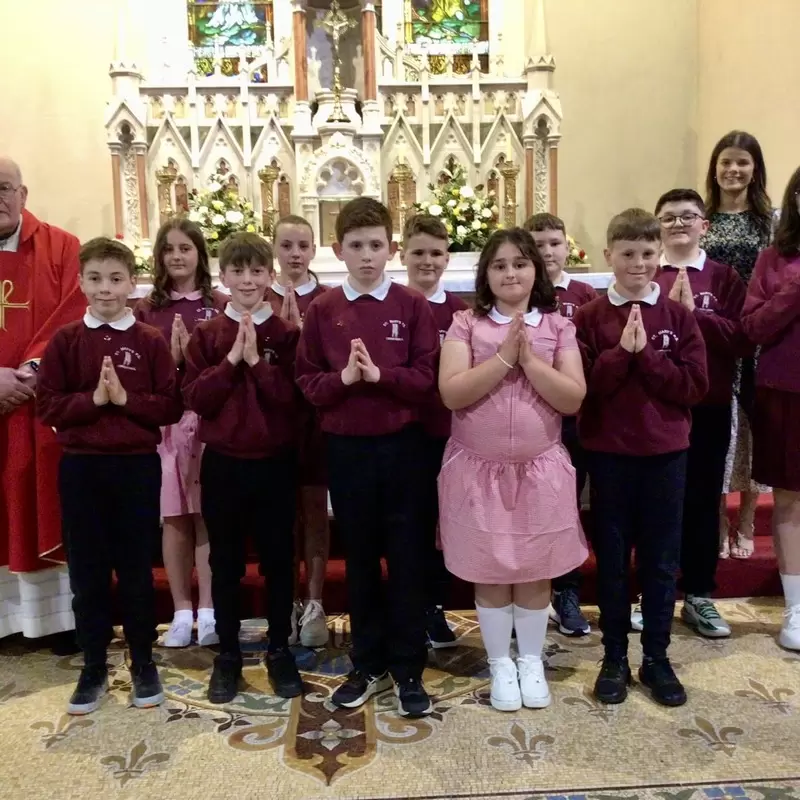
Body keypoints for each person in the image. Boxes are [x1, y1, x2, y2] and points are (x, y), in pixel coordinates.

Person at [295, 197, 439, 718]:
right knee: (358, 560)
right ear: (338, 250)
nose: (367, 255)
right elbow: (308, 382)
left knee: (406, 558)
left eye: (376, 245)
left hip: (403, 450)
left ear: (392, 248)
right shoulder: (324, 310)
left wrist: (383, 377)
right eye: (356, 246)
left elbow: (426, 377)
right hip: (349, 449)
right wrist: (345, 381)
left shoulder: (412, 306)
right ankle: (367, 661)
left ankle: (408, 667)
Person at [438, 228, 588, 712]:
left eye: (520, 263)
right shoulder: (466, 324)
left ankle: (531, 659)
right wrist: (505, 358)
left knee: (533, 566)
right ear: (485, 274)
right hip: (478, 471)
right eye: (499, 264)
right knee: (491, 565)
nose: (510, 273)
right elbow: (453, 392)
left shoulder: (559, 326)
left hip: (538, 469)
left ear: (536, 271)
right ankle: (500, 661)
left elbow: (572, 396)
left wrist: (529, 360)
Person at [36, 237, 183, 715]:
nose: (106, 289)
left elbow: (168, 405)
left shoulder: (150, 341)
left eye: (116, 279)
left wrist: (125, 401)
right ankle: (94, 663)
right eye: (96, 279)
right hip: (82, 469)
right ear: (81, 283)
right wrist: (93, 401)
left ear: (132, 282)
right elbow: (48, 405)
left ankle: (143, 660)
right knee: (89, 572)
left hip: (136, 468)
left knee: (137, 570)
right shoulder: (65, 341)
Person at [574, 209, 708, 708]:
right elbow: (583, 388)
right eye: (627, 254)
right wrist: (620, 355)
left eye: (647, 254)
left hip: (665, 454)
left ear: (660, 256)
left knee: (659, 562)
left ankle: (656, 657)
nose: (638, 264)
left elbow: (695, 387)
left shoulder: (677, 316)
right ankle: (613, 657)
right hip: (609, 456)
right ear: (608, 255)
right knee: (611, 561)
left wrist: (647, 356)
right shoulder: (589, 317)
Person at [183, 232, 304, 703]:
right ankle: (228, 655)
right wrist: (233, 359)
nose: (248, 280)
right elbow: (196, 398)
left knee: (277, 560)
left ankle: (279, 650)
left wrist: (257, 361)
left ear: (270, 276)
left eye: (257, 271)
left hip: (274, 463)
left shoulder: (287, 335)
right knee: (225, 562)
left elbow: (294, 403)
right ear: (224, 277)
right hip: (225, 465)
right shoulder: (208, 335)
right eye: (239, 271)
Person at [653, 189, 747, 639]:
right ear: (658, 226)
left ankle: (698, 594)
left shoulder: (723, 276)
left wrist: (693, 317)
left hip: (707, 403)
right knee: (656, 501)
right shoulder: (646, 271)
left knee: (702, 497)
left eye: (688, 216)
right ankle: (653, 592)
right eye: (669, 218)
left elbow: (741, 336)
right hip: (653, 406)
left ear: (704, 225)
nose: (678, 224)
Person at [0, 156, 85, 644]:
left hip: (38, 405)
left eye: (6, 187)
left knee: (39, 497)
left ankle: (51, 622)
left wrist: (29, 371)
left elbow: (71, 311)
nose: (0, 197)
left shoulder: (60, 247)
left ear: (24, 194)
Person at [134, 218, 227, 648]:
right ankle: (180, 609)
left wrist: (191, 360)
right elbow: (138, 372)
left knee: (206, 515)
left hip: (207, 422)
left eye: (185, 248)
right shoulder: (145, 309)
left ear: (199, 255)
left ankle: (208, 610)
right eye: (169, 249)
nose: (177, 256)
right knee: (174, 518)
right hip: (167, 425)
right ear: (159, 256)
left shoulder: (221, 304)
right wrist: (170, 362)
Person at [524, 212, 597, 637]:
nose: (547, 251)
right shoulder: (514, 293)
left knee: (566, 510)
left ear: (566, 247)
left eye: (554, 242)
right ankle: (527, 594)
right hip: (529, 423)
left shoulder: (584, 294)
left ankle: (567, 591)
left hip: (571, 421)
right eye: (538, 244)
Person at [702, 131, 774, 559]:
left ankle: (747, 516)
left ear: (755, 169)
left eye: (742, 163)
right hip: (713, 336)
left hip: (760, 335)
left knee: (752, 427)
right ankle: (717, 518)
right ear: (715, 168)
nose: (733, 170)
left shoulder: (770, 221)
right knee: (716, 429)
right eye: (726, 161)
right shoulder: (702, 216)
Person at [400, 213, 468, 648]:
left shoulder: (459, 312)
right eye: (419, 253)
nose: (428, 261)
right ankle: (410, 605)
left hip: (449, 431)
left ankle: (435, 607)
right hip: (404, 431)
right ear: (403, 255)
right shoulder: (393, 303)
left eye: (436, 254)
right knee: (410, 523)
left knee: (445, 523)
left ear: (448, 258)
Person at [741, 165, 800, 651]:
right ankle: (796, 608)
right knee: (789, 498)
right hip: (786, 389)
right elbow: (753, 328)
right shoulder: (774, 259)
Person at [267, 215, 330, 649]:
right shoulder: (258, 294)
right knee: (282, 517)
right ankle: (286, 601)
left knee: (314, 509)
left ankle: (316, 601)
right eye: (286, 245)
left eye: (302, 245)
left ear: (314, 249)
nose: (295, 253)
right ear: (275, 248)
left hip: (316, 420)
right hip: (273, 421)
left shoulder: (329, 300)